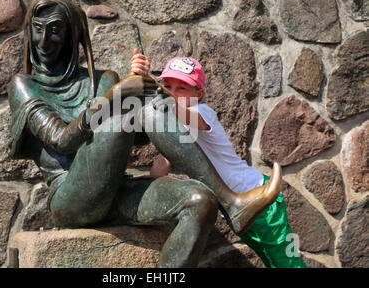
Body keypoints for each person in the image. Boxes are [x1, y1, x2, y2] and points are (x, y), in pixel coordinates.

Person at [7, 0, 282, 267]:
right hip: (71, 200)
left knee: (201, 202)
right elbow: (60, 141)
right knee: (122, 112)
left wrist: (147, 88)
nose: (43, 41)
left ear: (72, 36)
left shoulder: (103, 80)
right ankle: (232, 202)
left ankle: (230, 204)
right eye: (38, 30)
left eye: (54, 31)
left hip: (117, 191)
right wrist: (115, 98)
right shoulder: (23, 86)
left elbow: (138, 134)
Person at [131, 51, 309, 268]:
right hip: (241, 212)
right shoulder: (174, 130)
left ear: (199, 93)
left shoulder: (202, 113)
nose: (173, 93)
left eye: (182, 88)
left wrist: (149, 82)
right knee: (274, 263)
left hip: (261, 200)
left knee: (288, 263)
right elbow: (160, 166)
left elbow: (175, 110)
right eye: (168, 86)